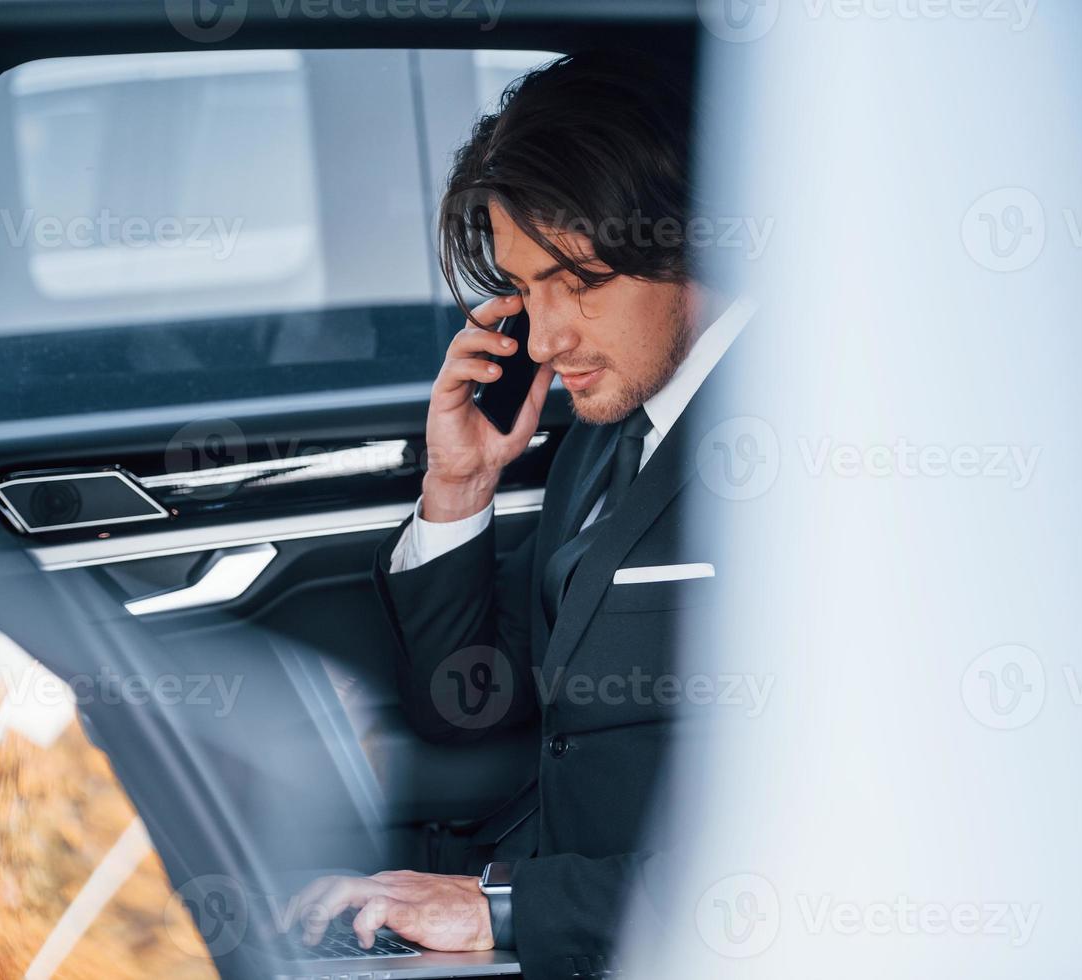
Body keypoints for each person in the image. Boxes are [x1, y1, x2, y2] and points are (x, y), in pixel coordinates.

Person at [295, 49, 756, 980]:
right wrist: (458, 492)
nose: (544, 340)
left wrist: (504, 911)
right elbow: (478, 715)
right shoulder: (606, 429)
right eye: (526, 287)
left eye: (578, 281)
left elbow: (837, 826)